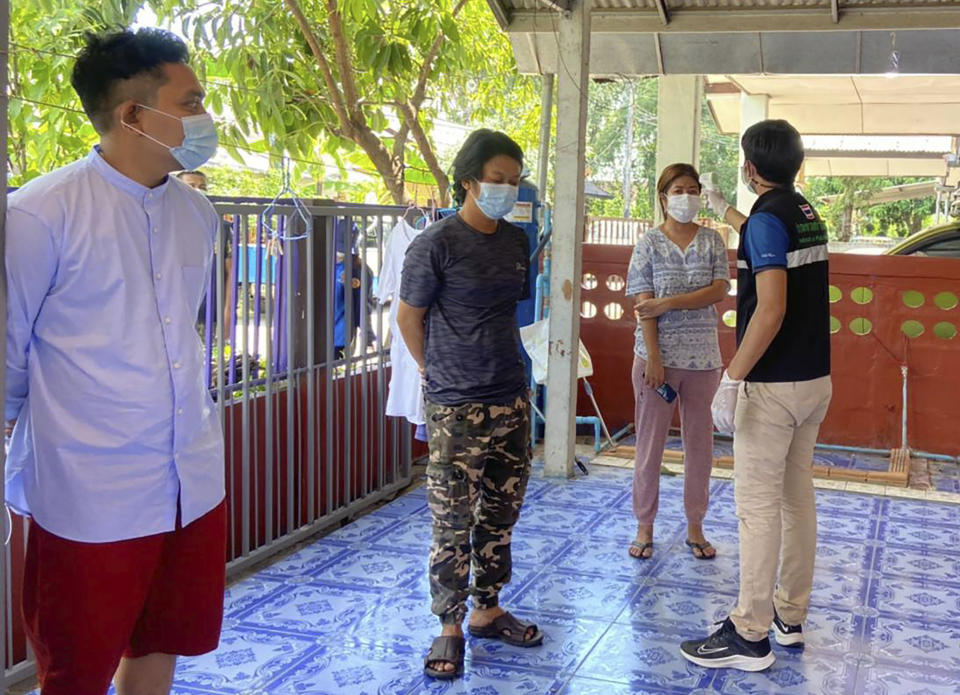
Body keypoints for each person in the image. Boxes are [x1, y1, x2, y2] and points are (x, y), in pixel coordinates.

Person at [5, 29, 226, 695]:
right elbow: (10, 355)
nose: (204, 117)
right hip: (88, 490)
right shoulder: (39, 213)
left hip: (190, 477)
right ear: (133, 114)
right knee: (75, 670)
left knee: (162, 636)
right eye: (190, 102)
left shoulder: (198, 214)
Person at [680, 119, 831, 671]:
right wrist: (726, 212)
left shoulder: (770, 222)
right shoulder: (804, 213)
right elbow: (766, 238)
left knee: (758, 509)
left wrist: (733, 377)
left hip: (772, 387)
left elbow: (770, 308)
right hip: (815, 380)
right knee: (797, 499)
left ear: (750, 168)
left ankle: (749, 633)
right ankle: (790, 619)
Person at [396, 129, 542, 680]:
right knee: (453, 520)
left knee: (500, 515)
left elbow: (508, 311)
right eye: (496, 180)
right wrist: (434, 371)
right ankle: (449, 626)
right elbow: (409, 318)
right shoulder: (435, 244)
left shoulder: (514, 242)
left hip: (510, 394)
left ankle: (487, 609)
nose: (506, 190)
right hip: (456, 404)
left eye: (513, 181)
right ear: (469, 181)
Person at [625, 163, 730, 562]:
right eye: (678, 190)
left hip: (703, 360)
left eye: (692, 189)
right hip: (657, 362)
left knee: (699, 446)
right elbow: (642, 306)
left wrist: (668, 303)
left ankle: (695, 526)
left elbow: (718, 290)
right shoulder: (648, 244)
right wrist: (654, 358)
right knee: (649, 446)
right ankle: (644, 525)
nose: (686, 197)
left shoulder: (712, 242)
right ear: (664, 197)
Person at [175, 170, 235, 346]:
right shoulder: (165, 224)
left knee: (208, 367)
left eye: (202, 187)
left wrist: (227, 313)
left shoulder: (221, 228)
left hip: (209, 314)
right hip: (174, 315)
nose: (197, 191)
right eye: (191, 186)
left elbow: (232, 273)